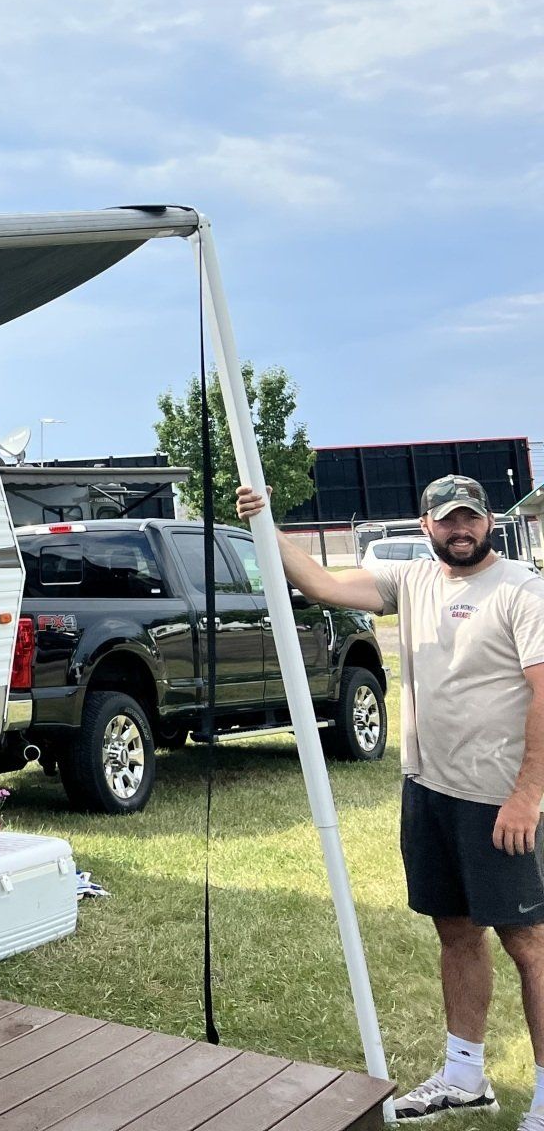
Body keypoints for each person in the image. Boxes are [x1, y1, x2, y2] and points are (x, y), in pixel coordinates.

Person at [239, 475, 544, 1122]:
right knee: (457, 934)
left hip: (502, 802)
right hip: (430, 793)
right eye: (447, 519)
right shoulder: (411, 580)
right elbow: (322, 585)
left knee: (531, 946)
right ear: (425, 524)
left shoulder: (520, 587)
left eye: (470, 518)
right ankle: (465, 1076)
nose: (460, 529)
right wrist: (267, 521)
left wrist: (528, 793)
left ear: (488, 520)